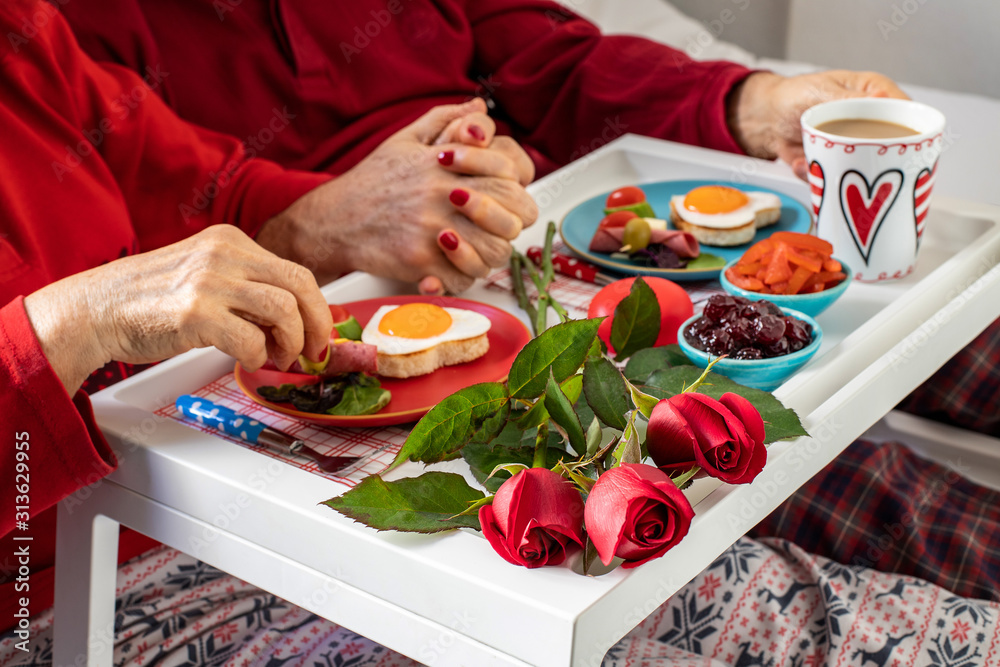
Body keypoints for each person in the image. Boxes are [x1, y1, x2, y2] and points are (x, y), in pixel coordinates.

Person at [0, 0, 529, 637]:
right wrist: (80, 321)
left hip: (210, 502)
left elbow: (198, 187)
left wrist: (339, 216)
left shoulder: (22, 30)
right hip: (51, 601)